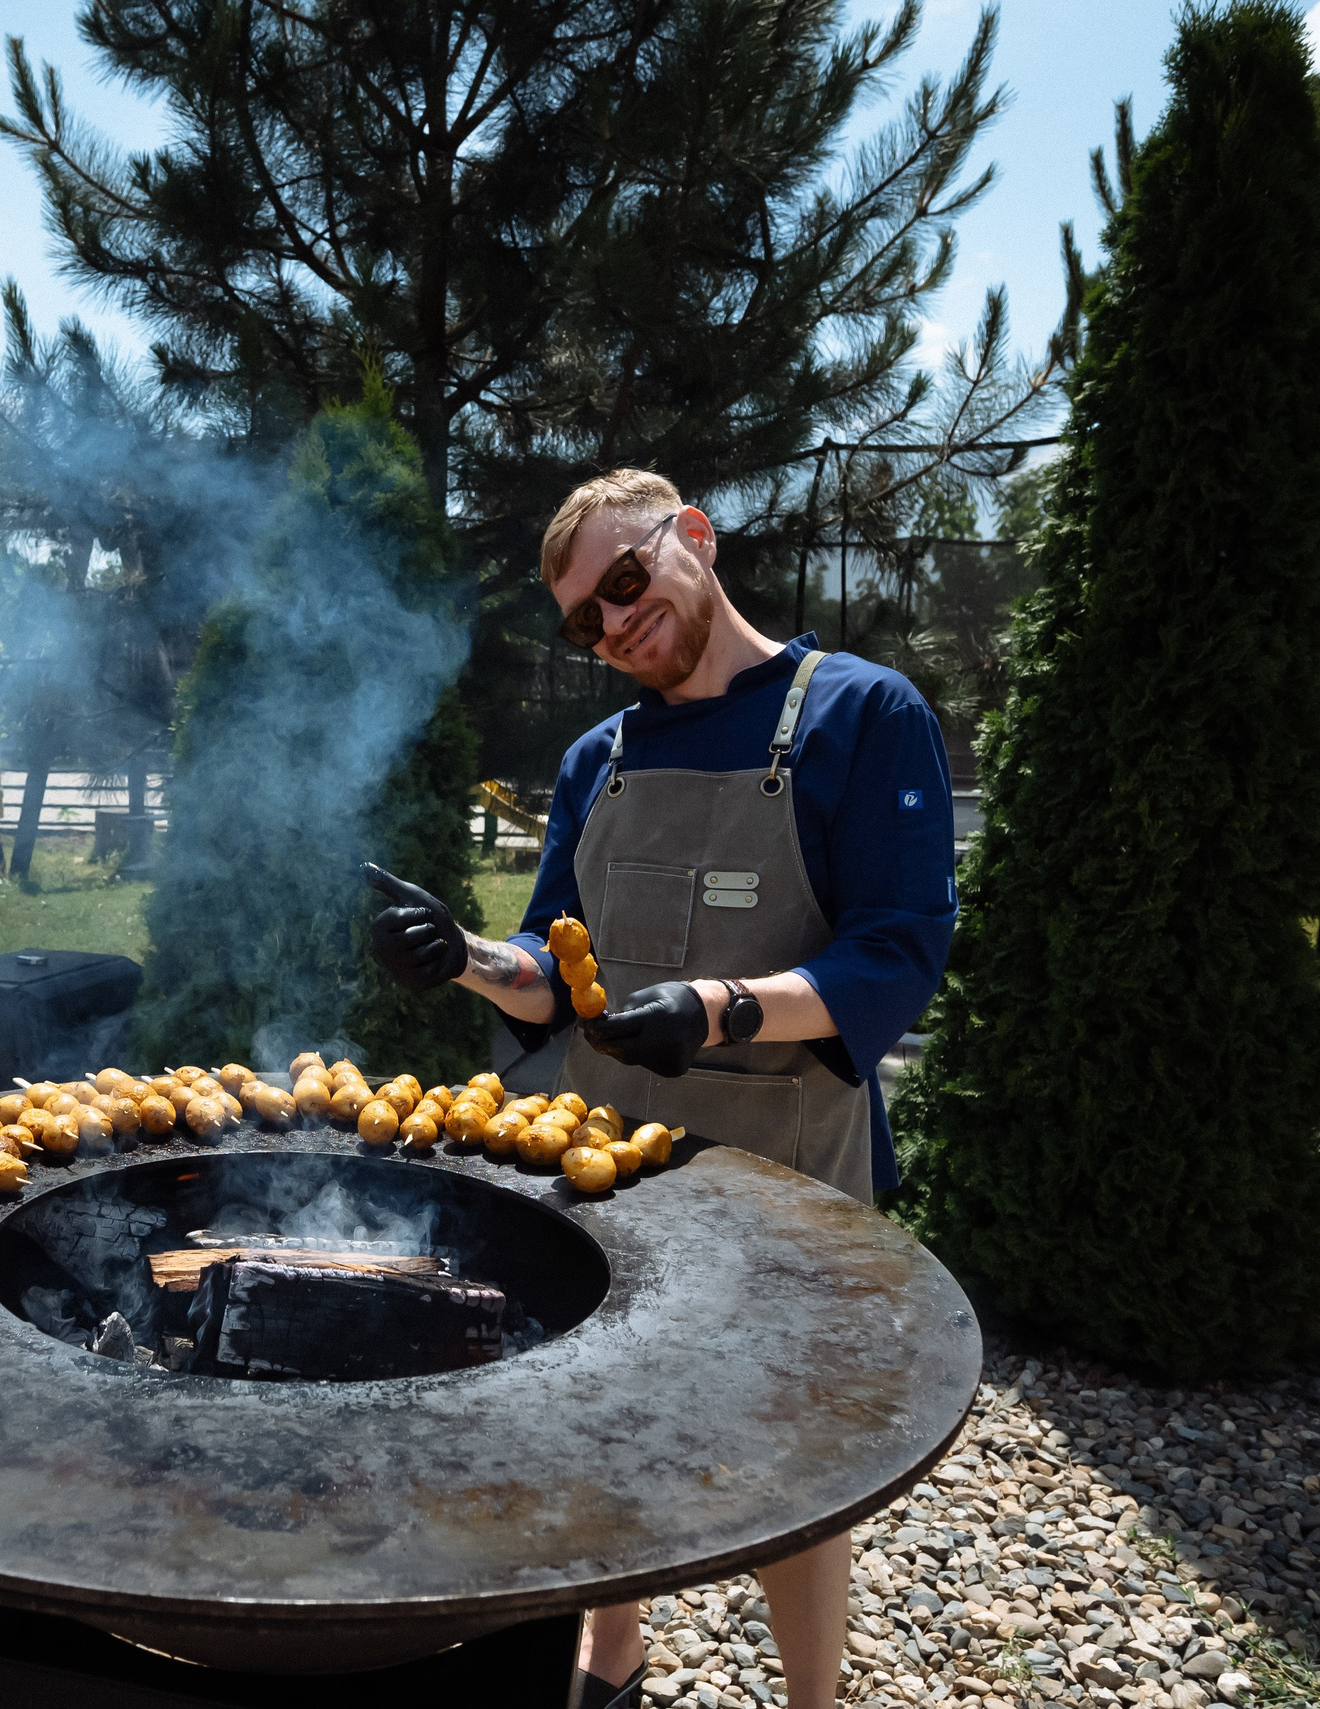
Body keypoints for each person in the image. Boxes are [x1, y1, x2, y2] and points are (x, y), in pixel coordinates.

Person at [364, 467, 958, 1709]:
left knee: (796, 1452)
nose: (613, 626)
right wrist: (464, 957)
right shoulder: (601, 756)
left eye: (625, 583)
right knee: (598, 1411)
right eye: (585, 621)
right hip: (608, 1167)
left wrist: (719, 1005)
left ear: (693, 534)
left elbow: (896, 949)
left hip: (787, 1164)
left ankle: (813, 1700)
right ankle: (608, 1660)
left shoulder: (863, 710)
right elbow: (553, 967)